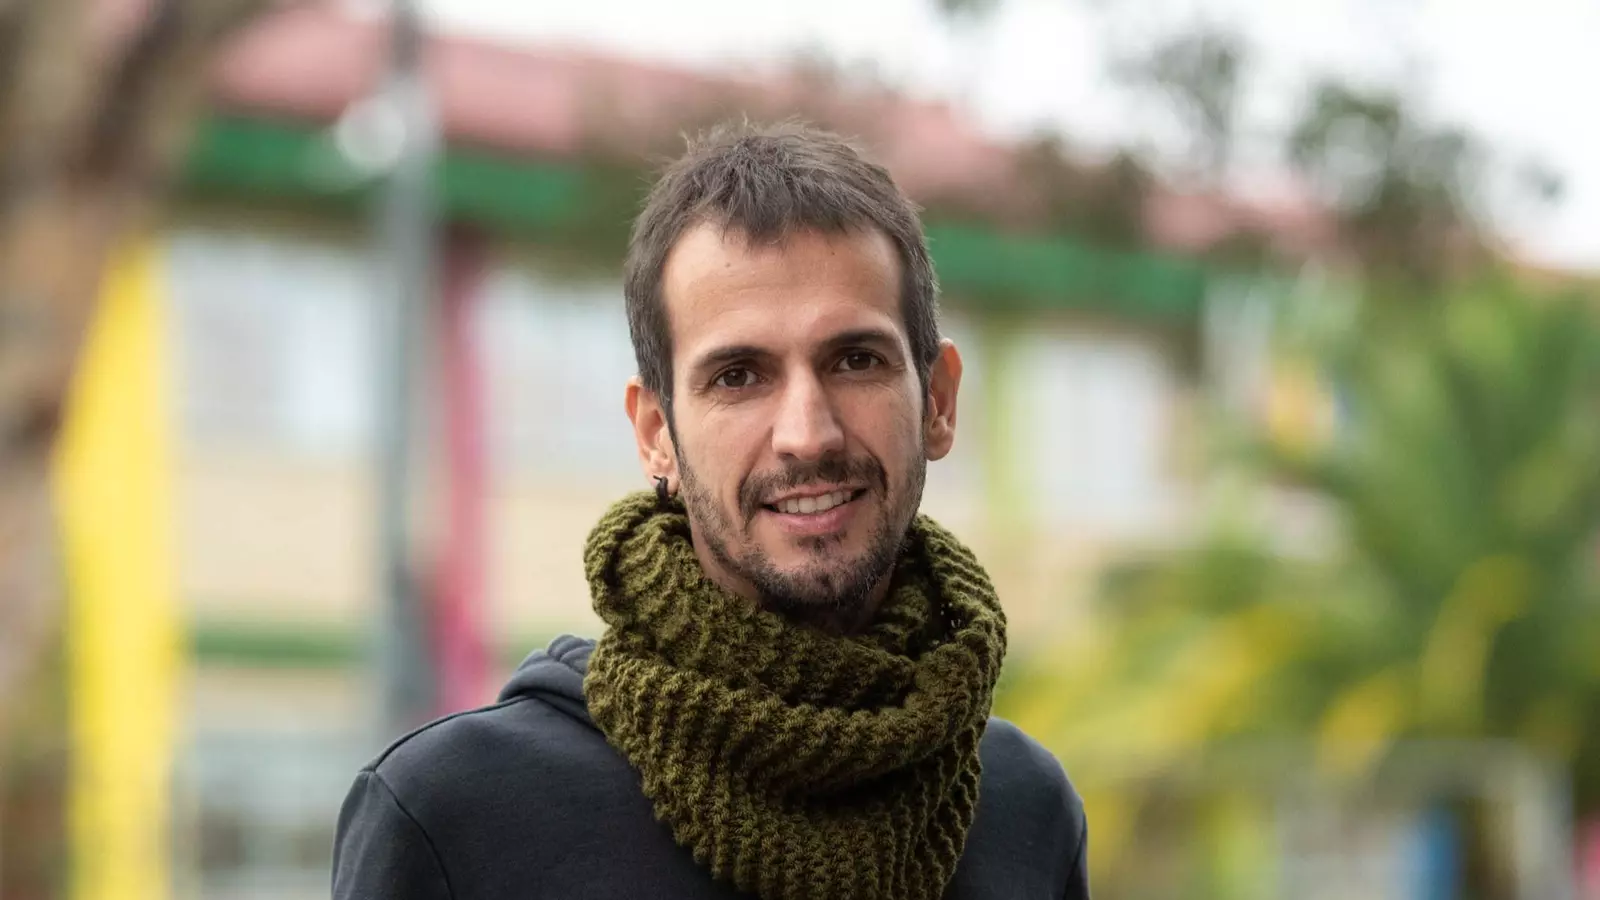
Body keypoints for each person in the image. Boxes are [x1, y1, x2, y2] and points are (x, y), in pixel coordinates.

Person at [331, 121, 1089, 900]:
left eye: (856, 360)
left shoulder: (1024, 807)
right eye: (738, 377)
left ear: (938, 401)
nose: (807, 434)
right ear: (655, 435)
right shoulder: (453, 816)